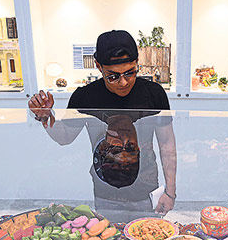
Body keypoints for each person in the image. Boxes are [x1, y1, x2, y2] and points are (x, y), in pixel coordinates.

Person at [28, 30, 177, 218]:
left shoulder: (154, 94)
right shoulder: (85, 96)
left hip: (145, 189)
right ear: (98, 66)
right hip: (106, 190)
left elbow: (167, 145)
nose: (123, 82)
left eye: (130, 73)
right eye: (113, 76)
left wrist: (170, 192)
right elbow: (64, 137)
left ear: (137, 63)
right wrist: (45, 116)